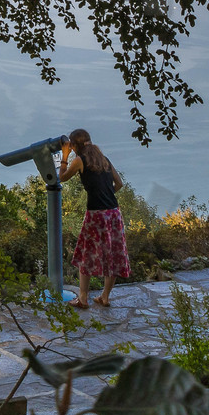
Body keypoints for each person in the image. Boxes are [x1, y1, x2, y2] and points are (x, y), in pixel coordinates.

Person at [59, 128, 130, 307]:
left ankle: (83, 298)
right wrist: (106, 194)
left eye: (71, 147)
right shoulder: (104, 159)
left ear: (74, 146)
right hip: (113, 213)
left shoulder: (79, 160)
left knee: (86, 254)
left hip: (96, 214)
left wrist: (64, 156)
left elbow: (62, 178)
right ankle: (105, 297)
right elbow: (119, 184)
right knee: (113, 255)